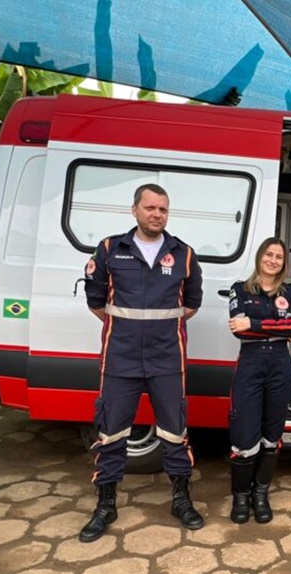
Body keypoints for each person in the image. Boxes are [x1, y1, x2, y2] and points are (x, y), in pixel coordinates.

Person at [80, 183, 204, 543]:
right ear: (134, 210)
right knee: (112, 431)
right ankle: (106, 504)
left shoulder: (183, 254)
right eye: (150, 208)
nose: (157, 214)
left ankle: (181, 499)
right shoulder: (109, 249)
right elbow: (96, 300)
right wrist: (127, 329)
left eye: (163, 209)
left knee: (175, 431)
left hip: (167, 358)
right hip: (120, 358)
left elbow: (191, 304)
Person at [227, 237, 291, 524]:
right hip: (251, 365)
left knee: (271, 437)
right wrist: (275, 328)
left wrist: (254, 323)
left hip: (280, 367)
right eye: (268, 254)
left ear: (283, 263)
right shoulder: (240, 290)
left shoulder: (290, 291)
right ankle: (241, 498)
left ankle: (260, 494)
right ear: (260, 257)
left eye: (279, 257)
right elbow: (238, 330)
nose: (273, 260)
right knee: (245, 437)